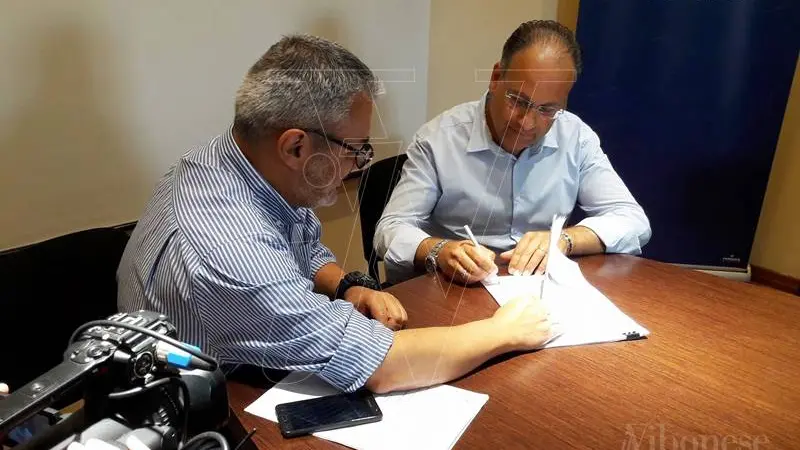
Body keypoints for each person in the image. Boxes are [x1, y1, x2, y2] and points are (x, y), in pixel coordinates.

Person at [117, 34, 553, 394]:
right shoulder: (230, 248)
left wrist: (347, 286)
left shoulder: (232, 159)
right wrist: (503, 331)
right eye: (355, 150)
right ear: (295, 147)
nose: (359, 165)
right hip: (206, 406)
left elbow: (302, 245)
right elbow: (381, 365)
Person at [374, 20, 651, 284]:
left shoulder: (575, 137)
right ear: (496, 78)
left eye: (547, 109)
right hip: (456, 289)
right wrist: (440, 250)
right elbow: (390, 229)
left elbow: (632, 220)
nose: (527, 123)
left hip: (539, 290)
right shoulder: (439, 140)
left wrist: (564, 240)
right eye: (518, 101)